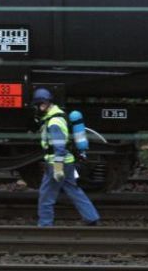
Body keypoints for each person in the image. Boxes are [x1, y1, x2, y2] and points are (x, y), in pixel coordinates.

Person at [32, 87, 100, 226]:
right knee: (74, 190)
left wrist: (57, 168)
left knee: (46, 195)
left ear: (43, 104)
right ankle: (91, 217)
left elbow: (59, 146)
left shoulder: (53, 122)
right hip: (68, 162)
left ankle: (45, 224)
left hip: (57, 163)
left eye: (38, 105)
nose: (37, 108)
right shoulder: (59, 116)